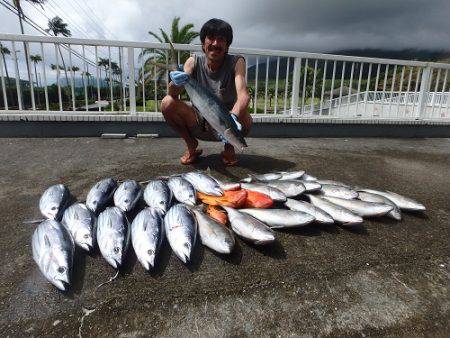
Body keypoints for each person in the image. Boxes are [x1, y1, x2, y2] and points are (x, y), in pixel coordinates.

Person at [161, 18, 252, 166]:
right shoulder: (193, 61)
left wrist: (232, 118)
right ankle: (191, 145)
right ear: (203, 44)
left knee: (246, 118)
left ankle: (229, 148)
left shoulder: (237, 62)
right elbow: (173, 94)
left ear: (227, 46)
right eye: (211, 38)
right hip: (199, 121)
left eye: (221, 39)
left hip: (225, 119)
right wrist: (175, 82)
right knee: (167, 102)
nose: (215, 43)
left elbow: (243, 95)